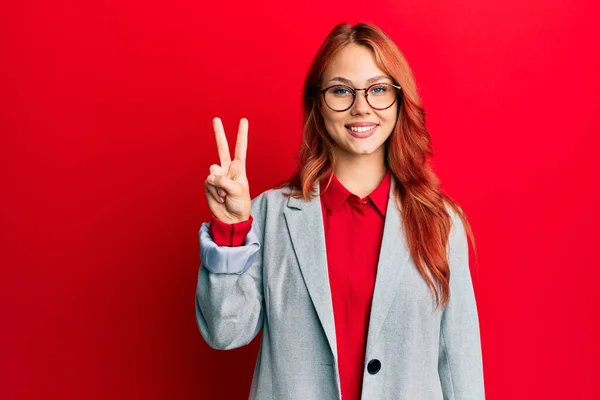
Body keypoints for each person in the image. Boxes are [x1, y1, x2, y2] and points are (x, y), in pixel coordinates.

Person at [196, 22, 485, 400]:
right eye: (341, 91)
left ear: (400, 100)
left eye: (379, 89)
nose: (361, 106)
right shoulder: (268, 215)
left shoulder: (440, 221)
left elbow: (460, 365)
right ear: (317, 102)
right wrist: (231, 231)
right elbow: (225, 332)